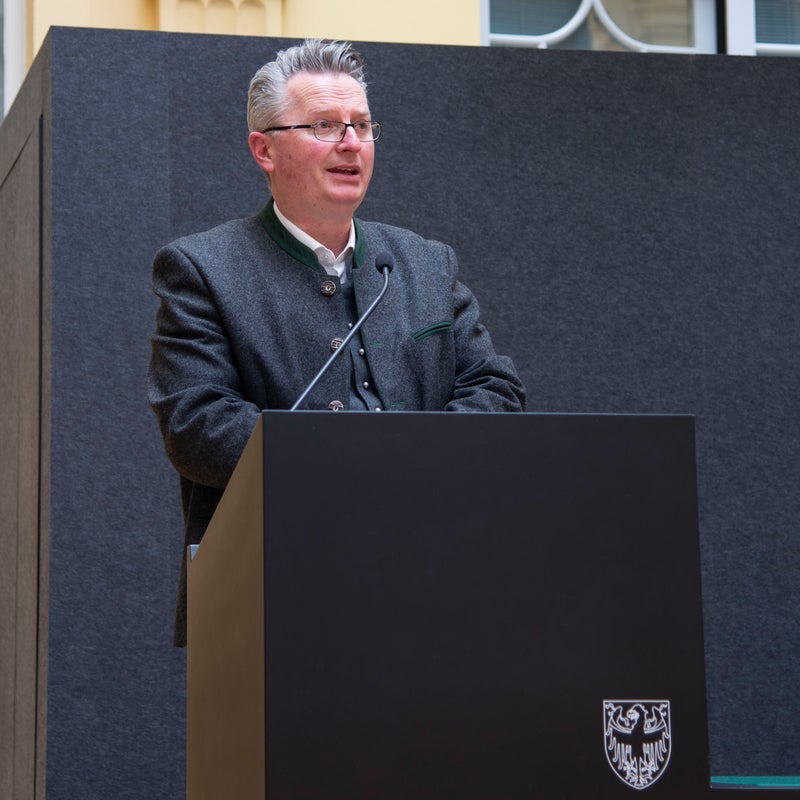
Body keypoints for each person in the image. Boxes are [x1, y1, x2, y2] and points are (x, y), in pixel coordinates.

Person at [148, 38, 526, 646]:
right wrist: (345, 465)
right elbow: (198, 424)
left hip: (436, 578)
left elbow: (496, 387)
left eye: (362, 126)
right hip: (275, 591)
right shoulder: (203, 268)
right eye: (324, 125)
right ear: (264, 150)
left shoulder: (425, 262)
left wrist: (416, 459)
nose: (351, 143)